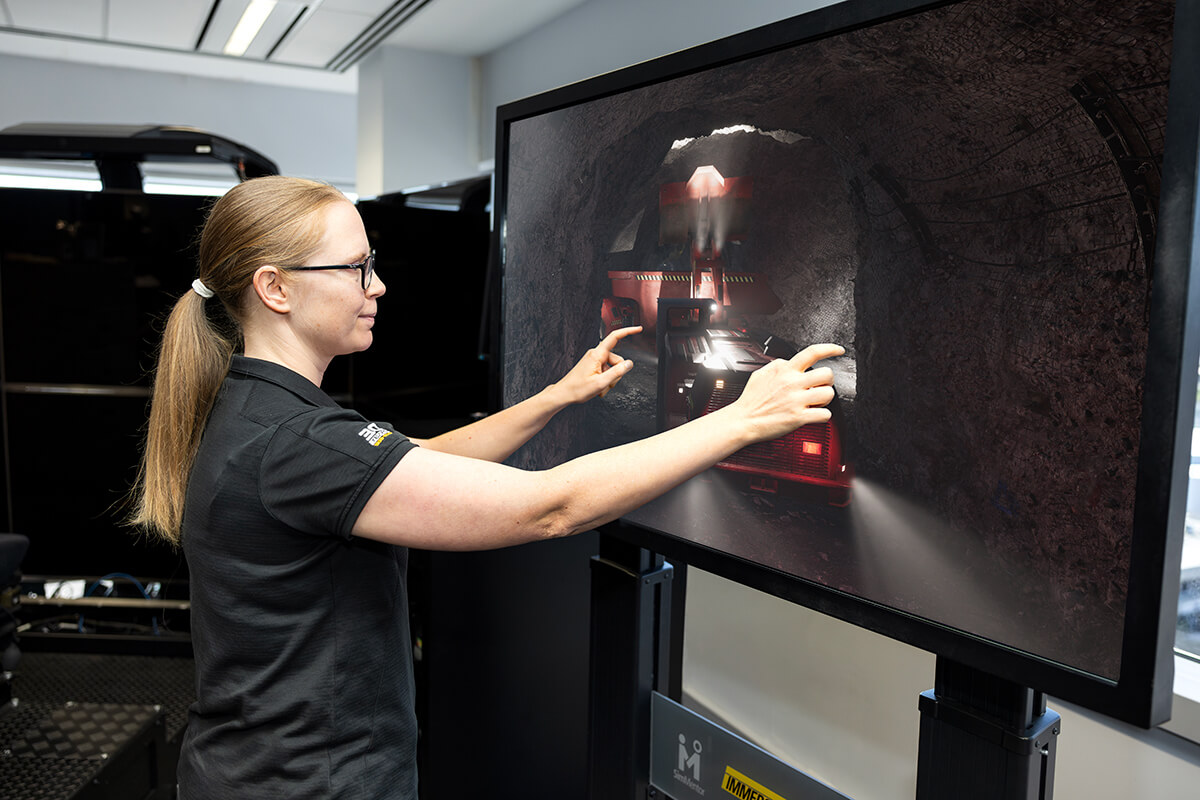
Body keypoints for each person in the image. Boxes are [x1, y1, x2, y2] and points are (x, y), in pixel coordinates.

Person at [129, 175, 842, 799]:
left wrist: (556, 399)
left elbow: (415, 463)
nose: (376, 285)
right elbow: (550, 508)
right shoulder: (299, 443)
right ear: (275, 287)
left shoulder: (261, 411)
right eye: (354, 268)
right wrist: (743, 420)